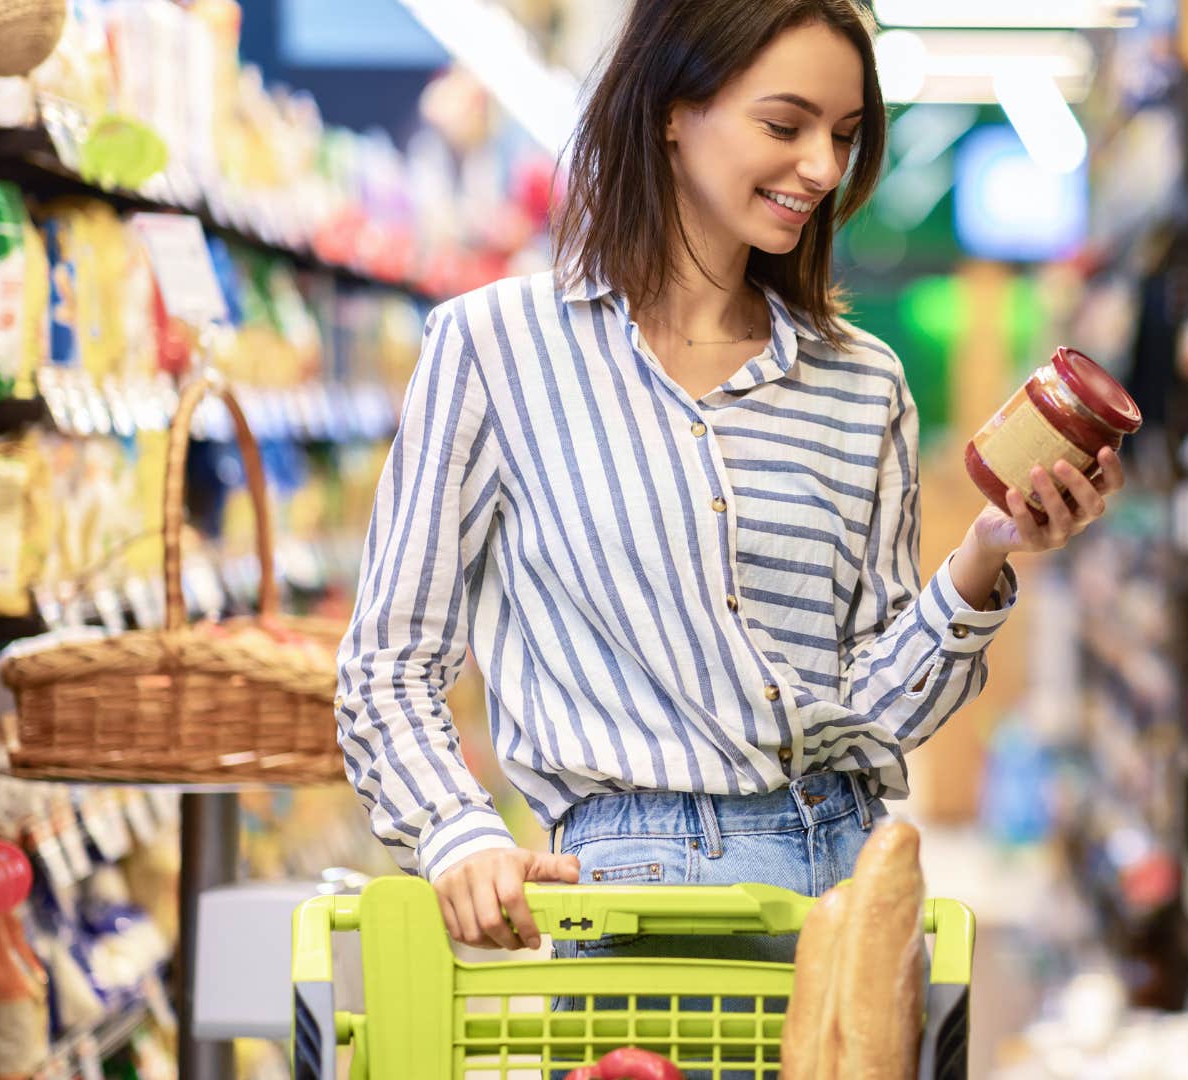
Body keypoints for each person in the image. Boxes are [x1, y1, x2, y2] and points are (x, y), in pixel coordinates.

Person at [335, 0, 1124, 955]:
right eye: (785, 126)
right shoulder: (496, 348)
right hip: (632, 906)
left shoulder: (863, 383)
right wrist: (457, 833)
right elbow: (388, 665)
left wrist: (984, 556)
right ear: (673, 108)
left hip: (846, 895)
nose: (822, 168)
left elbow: (874, 714)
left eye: (844, 136)